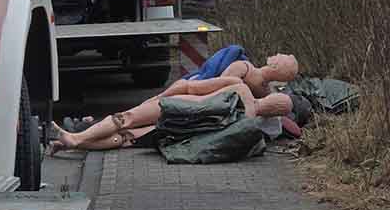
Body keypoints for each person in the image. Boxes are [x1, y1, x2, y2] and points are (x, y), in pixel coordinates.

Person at [50, 77, 294, 152]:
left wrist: (160, 97)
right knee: (125, 139)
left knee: (124, 119)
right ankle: (71, 144)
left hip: (175, 105)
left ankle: (76, 139)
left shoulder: (239, 87)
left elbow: (190, 87)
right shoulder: (248, 126)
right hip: (181, 130)